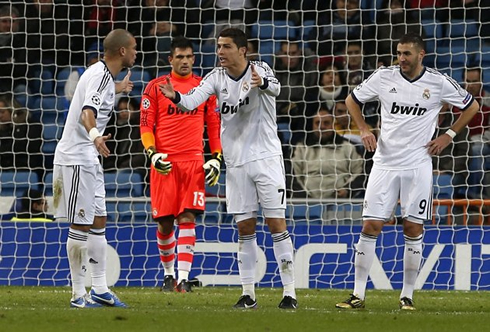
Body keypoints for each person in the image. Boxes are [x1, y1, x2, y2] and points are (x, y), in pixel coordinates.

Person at [335, 33, 479, 310]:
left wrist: (448, 134)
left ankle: (407, 296)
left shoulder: (438, 82)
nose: (401, 58)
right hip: (385, 162)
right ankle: (357, 295)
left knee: (413, 227)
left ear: (420, 55)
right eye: (399, 53)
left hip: (418, 164)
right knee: (371, 225)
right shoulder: (383, 76)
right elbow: (352, 100)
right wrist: (364, 129)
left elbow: (471, 106)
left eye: (407, 54)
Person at [159, 28, 297, 309]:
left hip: (266, 159)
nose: (220, 51)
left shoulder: (260, 69)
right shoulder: (215, 78)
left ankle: (290, 293)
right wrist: (175, 97)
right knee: (244, 228)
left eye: (226, 47)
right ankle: (248, 294)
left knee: (276, 224)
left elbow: (277, 87)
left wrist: (262, 84)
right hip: (235, 164)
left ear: (242, 50)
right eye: (219, 46)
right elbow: (191, 102)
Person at [53, 29, 136, 308]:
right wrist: (95, 136)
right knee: (80, 225)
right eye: (133, 48)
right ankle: (78, 294)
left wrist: (118, 89)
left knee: (99, 220)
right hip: (77, 156)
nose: (136, 53)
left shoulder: (100, 74)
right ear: (122, 51)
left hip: (88, 158)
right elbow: (87, 112)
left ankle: (100, 288)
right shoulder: (100, 75)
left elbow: (96, 96)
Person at [139, 36, 221, 293]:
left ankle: (183, 278)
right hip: (164, 162)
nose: (185, 61)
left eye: (189, 57)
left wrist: (216, 157)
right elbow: (145, 125)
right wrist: (152, 154)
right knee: (164, 222)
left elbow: (214, 125)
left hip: (193, 161)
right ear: (170, 60)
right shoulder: (155, 87)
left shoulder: (203, 87)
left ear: (194, 59)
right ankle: (167, 275)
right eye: (180, 57)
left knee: (187, 217)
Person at [291, 108, 364, 199]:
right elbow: (293, 175)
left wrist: (347, 190)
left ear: (333, 125)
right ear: (312, 125)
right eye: (317, 123)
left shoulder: (348, 146)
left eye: (326, 123)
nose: (321, 127)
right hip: (307, 201)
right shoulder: (301, 147)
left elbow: (360, 172)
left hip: (341, 202)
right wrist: (303, 195)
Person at [104, 97, 147, 172]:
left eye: (127, 109)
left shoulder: (141, 128)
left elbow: (143, 155)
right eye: (121, 110)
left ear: (135, 109)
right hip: (119, 167)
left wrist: (123, 167)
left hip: (136, 169)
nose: (123, 112)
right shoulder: (116, 129)